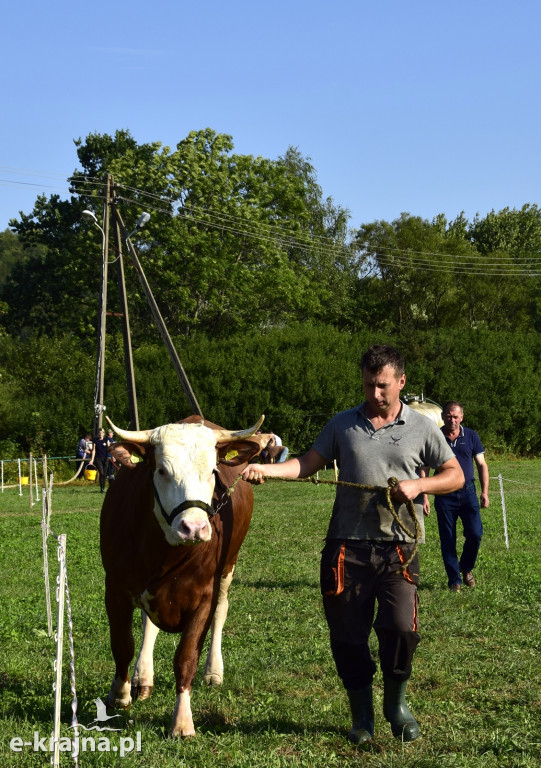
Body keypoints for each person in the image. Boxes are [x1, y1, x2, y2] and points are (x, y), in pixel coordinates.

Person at [242, 345, 463, 743]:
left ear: (401, 382)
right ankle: (362, 717)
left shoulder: (423, 427)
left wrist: (418, 485)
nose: (374, 394)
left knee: (400, 629)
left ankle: (396, 705)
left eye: (382, 386)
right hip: (346, 546)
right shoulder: (343, 424)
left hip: (399, 547)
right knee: (347, 635)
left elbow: (455, 475)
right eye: (367, 386)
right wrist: (266, 469)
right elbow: (308, 463)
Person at [433, 401, 489, 592]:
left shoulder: (471, 436)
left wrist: (484, 492)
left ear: (462, 417)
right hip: (444, 494)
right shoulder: (436, 436)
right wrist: (424, 496)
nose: (452, 420)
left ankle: (466, 568)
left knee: (475, 533)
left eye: (456, 416)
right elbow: (424, 466)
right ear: (443, 417)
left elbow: (481, 465)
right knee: (447, 538)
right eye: (449, 416)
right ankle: (454, 580)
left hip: (468, 493)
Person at [90, 427, 111, 493]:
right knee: (101, 473)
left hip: (105, 458)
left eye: (101, 433)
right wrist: (92, 460)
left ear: (104, 433)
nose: (100, 434)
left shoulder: (106, 439)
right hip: (98, 458)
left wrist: (112, 456)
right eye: (99, 433)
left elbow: (109, 449)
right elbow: (93, 450)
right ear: (98, 434)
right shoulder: (95, 440)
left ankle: (103, 488)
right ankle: (101, 488)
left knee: (104, 474)